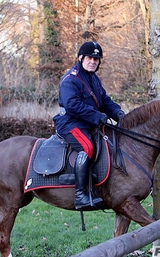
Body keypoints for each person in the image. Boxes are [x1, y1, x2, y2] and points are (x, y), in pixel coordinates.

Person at [53, 41, 125, 209]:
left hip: (88, 123)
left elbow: (104, 100)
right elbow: (72, 105)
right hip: (71, 123)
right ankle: (80, 195)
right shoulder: (71, 79)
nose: (93, 61)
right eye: (89, 58)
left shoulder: (93, 78)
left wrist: (117, 112)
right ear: (80, 58)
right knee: (87, 148)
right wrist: (96, 115)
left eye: (96, 59)